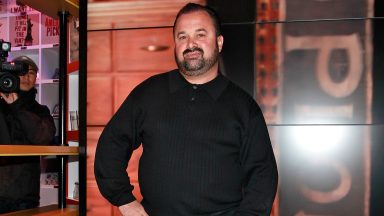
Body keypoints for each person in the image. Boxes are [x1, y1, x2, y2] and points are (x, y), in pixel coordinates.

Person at [95, 3, 278, 216]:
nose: (190, 44)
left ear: (219, 42)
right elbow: (111, 145)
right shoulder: (149, 93)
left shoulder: (244, 107)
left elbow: (263, 177)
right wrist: (125, 201)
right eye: (182, 37)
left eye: (200, 34)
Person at [0, 56, 56, 213]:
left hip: (26, 194)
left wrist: (16, 106)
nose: (26, 76)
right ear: (11, 74)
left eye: (31, 72)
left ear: (36, 78)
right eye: (21, 71)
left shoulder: (41, 111)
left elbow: (43, 138)